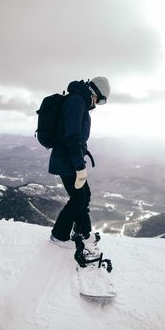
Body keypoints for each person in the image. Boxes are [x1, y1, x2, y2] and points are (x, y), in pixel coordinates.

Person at [49, 77, 110, 248]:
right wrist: (79, 166)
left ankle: (83, 233)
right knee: (78, 200)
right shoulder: (77, 101)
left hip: (70, 158)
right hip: (67, 160)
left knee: (84, 196)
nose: (98, 104)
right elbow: (72, 136)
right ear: (95, 92)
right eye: (101, 99)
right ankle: (58, 236)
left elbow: (76, 137)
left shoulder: (80, 100)